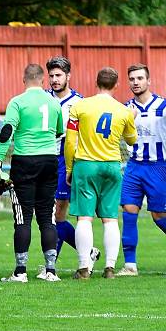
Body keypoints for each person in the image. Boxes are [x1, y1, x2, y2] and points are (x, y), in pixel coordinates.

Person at [0, 64, 63, 282]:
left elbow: (7, 132)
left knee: (23, 217)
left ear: (24, 80)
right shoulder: (54, 102)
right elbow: (59, 132)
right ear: (43, 80)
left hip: (25, 161)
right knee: (47, 216)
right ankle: (50, 270)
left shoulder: (18, 102)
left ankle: (21, 271)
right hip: (50, 160)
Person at [66, 67, 137, 280]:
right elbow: (132, 140)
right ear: (116, 85)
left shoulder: (80, 106)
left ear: (96, 83)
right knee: (110, 219)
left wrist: (70, 168)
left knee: (84, 218)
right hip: (112, 166)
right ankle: (110, 267)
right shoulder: (123, 110)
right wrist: (132, 117)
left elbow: (70, 142)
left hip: (86, 165)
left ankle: (84, 268)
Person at [44, 57, 99, 276]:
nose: (54, 80)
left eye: (58, 75)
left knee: (59, 213)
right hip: (43, 159)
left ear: (68, 76)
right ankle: (89, 252)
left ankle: (51, 267)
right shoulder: (43, 99)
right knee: (50, 214)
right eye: (51, 76)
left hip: (66, 161)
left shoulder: (80, 103)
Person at [118, 64, 166, 276]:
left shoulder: (163, 107)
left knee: (158, 215)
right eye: (132, 79)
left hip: (159, 166)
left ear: (149, 81)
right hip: (134, 166)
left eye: (139, 78)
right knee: (129, 211)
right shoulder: (125, 109)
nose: (135, 82)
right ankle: (130, 265)